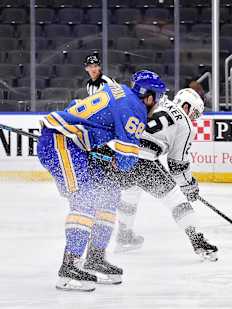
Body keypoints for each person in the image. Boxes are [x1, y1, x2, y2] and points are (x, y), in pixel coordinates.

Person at [36, 70, 165, 292]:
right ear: (150, 97)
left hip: (74, 143)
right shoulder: (135, 109)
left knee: (108, 195)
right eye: (159, 97)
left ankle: (94, 259)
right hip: (62, 142)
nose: (158, 102)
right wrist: (130, 169)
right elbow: (126, 159)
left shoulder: (123, 92)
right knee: (85, 199)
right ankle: (69, 269)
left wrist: (105, 154)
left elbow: (85, 112)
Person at [115, 87, 218, 261]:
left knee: (131, 191)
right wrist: (189, 186)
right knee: (176, 199)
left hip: (121, 153)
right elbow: (177, 165)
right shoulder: (185, 124)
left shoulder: (159, 102)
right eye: (194, 113)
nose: (193, 118)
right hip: (143, 160)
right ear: (186, 107)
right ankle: (198, 241)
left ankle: (124, 236)